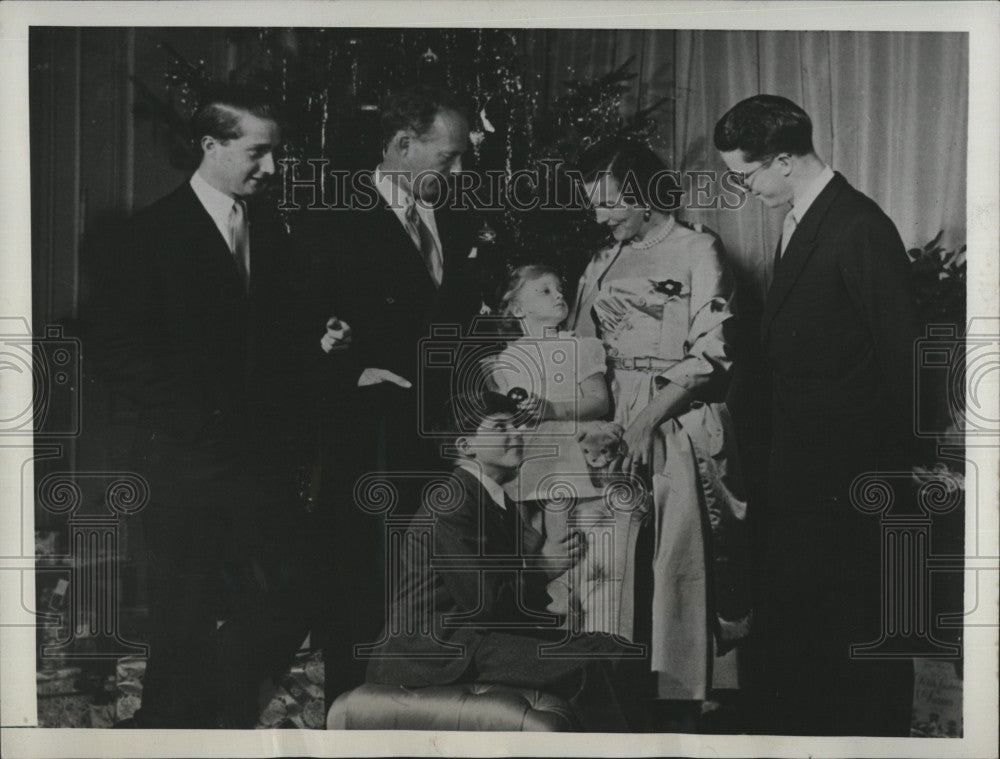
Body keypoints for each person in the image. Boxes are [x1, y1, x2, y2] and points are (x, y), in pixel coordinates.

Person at [86, 85, 329, 727]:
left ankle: (220, 711)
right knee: (183, 612)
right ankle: (167, 729)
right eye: (257, 153)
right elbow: (115, 347)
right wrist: (199, 421)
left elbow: (271, 338)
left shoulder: (270, 226)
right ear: (210, 145)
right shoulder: (150, 234)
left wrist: (319, 342)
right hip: (185, 461)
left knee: (291, 591)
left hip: (262, 460)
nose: (270, 169)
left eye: (275, 154)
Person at [714, 94, 920, 736]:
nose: (744, 191)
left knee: (856, 638)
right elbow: (813, 332)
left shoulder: (859, 225)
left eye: (745, 177)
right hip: (802, 468)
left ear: (782, 161)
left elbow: (907, 355)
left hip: (847, 475)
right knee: (811, 639)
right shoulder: (801, 215)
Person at [300, 84, 484, 702]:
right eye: (448, 157)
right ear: (404, 145)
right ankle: (352, 717)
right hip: (367, 438)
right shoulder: (331, 218)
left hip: (444, 436)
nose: (458, 172)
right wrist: (349, 375)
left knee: (433, 584)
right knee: (366, 585)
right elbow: (291, 332)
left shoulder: (459, 217)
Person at [571, 138, 751, 727]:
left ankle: (682, 708)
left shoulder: (698, 248)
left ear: (646, 194)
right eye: (593, 205)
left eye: (611, 203)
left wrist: (647, 420)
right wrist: (605, 425)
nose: (600, 217)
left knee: (679, 566)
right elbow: (581, 353)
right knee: (610, 570)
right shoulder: (602, 261)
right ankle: (612, 705)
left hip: (680, 419)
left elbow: (714, 351)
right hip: (613, 419)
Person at [364, 391, 647, 732]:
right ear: (466, 445)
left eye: (515, 424)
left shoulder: (498, 502)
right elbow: (485, 601)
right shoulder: (453, 503)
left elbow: (506, 601)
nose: (516, 433)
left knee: (618, 650)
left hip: (475, 638)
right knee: (583, 666)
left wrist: (545, 579)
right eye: (500, 427)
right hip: (433, 650)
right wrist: (544, 567)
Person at [482, 264, 641, 634]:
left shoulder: (577, 346)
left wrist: (553, 409)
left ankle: (592, 631)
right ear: (517, 309)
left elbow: (598, 400)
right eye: (544, 291)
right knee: (532, 547)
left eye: (559, 288)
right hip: (528, 465)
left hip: (571, 458)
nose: (558, 296)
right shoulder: (505, 361)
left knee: (583, 554)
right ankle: (550, 620)